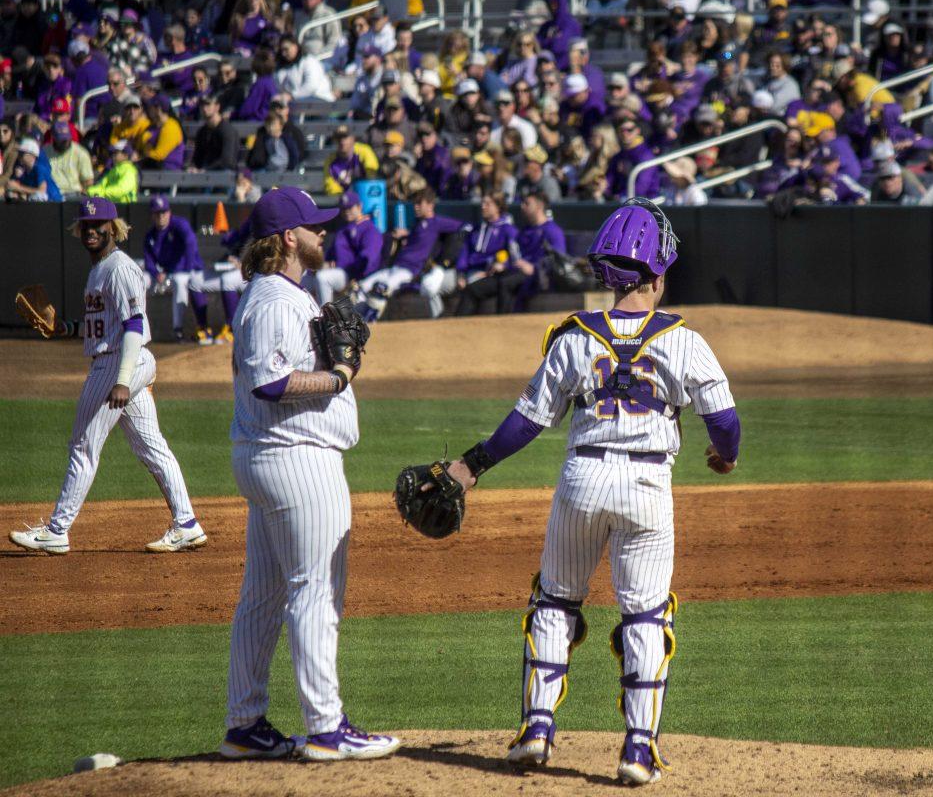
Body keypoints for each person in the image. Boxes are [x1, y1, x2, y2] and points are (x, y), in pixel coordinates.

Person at [440, 198, 739, 786]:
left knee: (555, 600)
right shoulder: (685, 340)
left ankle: (535, 730)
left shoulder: (573, 339)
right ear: (657, 275)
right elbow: (725, 420)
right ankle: (637, 749)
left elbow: (526, 422)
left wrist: (471, 466)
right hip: (649, 483)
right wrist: (723, 457)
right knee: (645, 616)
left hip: (582, 479)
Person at [219, 185, 400, 763]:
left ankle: (244, 725)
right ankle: (326, 727)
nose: (326, 231)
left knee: (265, 596)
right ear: (286, 238)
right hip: (297, 460)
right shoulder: (275, 299)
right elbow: (271, 384)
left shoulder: (276, 294)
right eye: (314, 225)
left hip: (270, 457)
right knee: (314, 591)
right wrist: (340, 376)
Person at [10, 197, 204, 556]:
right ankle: (187, 524)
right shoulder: (98, 270)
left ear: (113, 228)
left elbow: (134, 325)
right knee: (152, 447)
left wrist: (123, 380)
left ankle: (57, 530)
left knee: (83, 446)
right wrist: (67, 328)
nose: (92, 231)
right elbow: (102, 327)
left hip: (118, 364)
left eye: (99, 225)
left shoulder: (119, 268)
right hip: (119, 360)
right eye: (86, 225)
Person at [356, 188, 466, 321]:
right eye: (415, 203)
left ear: (430, 205)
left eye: (420, 203)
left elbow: (465, 226)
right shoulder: (418, 225)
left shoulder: (437, 222)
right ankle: (354, 324)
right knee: (360, 288)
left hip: (409, 271)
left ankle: (369, 326)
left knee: (381, 289)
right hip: (395, 268)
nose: (416, 206)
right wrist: (407, 233)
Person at [143, 196, 212, 343]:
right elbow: (148, 262)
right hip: (164, 274)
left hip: (186, 270)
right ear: (152, 215)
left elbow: (190, 245)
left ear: (169, 212)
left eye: (164, 212)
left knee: (180, 281)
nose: (161, 216)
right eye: (157, 213)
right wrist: (156, 273)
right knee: (141, 280)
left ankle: (178, 330)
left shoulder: (179, 225)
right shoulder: (150, 235)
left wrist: (171, 270)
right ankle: (138, 329)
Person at [455, 190, 521, 315]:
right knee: (433, 284)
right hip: (467, 273)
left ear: (498, 207)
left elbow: (514, 257)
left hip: (489, 275)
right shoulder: (476, 229)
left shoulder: (507, 230)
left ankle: (457, 325)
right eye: (482, 203)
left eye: (487, 203)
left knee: (472, 287)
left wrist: (501, 266)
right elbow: (464, 254)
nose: (483, 206)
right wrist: (460, 275)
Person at [607, 119, 659, 200]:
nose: (625, 133)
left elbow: (642, 187)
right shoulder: (618, 156)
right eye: (622, 130)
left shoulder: (646, 155)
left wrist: (620, 196)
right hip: (620, 202)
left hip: (645, 204)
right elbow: (609, 181)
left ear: (637, 131)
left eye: (629, 130)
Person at [276, 33, 335, 102]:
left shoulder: (309, 61)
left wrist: (292, 95)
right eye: (281, 50)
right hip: (298, 104)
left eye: (286, 49)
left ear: (295, 46)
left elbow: (311, 86)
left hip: (319, 101)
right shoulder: (284, 68)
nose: (283, 54)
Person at [323, 126, 380, 195]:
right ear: (335, 141)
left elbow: (372, 175)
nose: (342, 141)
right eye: (338, 138)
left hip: (366, 195)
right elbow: (331, 187)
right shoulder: (330, 161)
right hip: (344, 200)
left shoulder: (364, 151)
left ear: (353, 139)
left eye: (345, 137)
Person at [192, 94, 240, 171]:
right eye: (202, 105)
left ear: (217, 107)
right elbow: (197, 157)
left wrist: (205, 170)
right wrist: (194, 168)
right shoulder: (202, 132)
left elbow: (227, 161)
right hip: (205, 172)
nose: (204, 108)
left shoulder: (227, 130)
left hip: (224, 174)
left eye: (208, 105)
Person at [6, 137, 62, 202]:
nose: (19, 156)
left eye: (22, 153)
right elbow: (26, 190)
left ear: (32, 155)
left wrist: (18, 188)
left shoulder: (39, 168)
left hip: (54, 203)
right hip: (42, 204)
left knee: (38, 196)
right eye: (19, 153)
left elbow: (41, 191)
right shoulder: (24, 171)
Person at [47, 122, 93, 197]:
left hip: (73, 193)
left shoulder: (80, 152)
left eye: (66, 139)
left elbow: (88, 181)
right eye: (61, 140)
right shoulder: (45, 152)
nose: (65, 142)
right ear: (54, 138)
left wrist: (83, 194)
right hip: (50, 194)